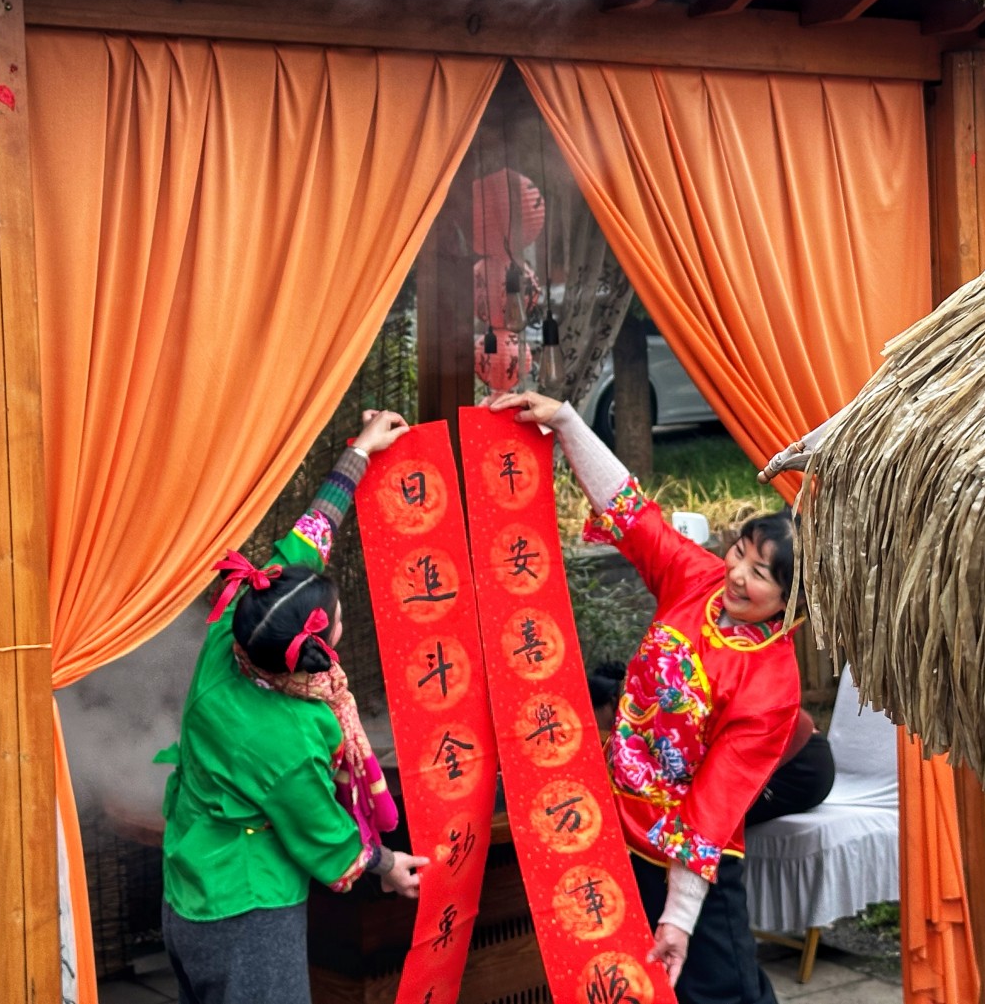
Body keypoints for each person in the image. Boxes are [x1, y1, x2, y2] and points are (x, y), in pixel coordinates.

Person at [488, 391, 801, 1004]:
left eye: (760, 573)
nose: (738, 574)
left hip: (688, 860)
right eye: (739, 553)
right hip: (614, 823)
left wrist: (680, 915)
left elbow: (715, 805)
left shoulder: (772, 686)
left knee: (721, 992)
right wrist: (567, 421)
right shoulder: (697, 581)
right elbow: (634, 515)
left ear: (790, 599)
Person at [156, 409, 428, 1004]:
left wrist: (360, 452)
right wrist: (386, 866)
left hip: (189, 883)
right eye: (337, 617)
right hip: (244, 910)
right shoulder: (291, 733)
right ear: (318, 646)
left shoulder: (235, 629)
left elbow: (308, 541)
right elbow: (321, 832)